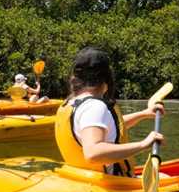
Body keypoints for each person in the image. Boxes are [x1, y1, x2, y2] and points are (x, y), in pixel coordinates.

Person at [54, 47, 163, 177]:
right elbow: (93, 153)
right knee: (164, 177)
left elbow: (107, 127)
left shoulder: (71, 103)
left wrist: (144, 114)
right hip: (111, 184)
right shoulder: (94, 107)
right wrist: (143, 144)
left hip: (81, 178)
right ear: (106, 77)